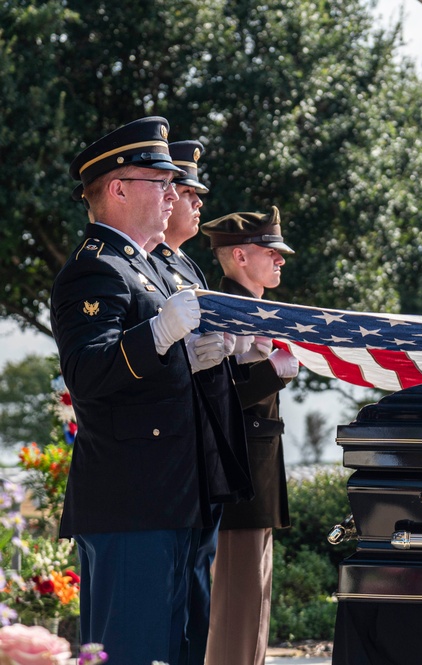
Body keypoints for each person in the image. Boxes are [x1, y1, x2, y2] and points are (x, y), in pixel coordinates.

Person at [51, 117, 247, 664]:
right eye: (159, 182)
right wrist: (159, 334)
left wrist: (206, 357)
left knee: (179, 649)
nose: (172, 193)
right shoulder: (95, 271)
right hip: (132, 500)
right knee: (134, 652)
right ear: (117, 189)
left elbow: (163, 374)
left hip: (176, 491)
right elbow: (89, 374)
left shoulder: (153, 269)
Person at [148, 140, 253, 664]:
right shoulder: (153, 267)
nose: (192, 203)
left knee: (194, 595)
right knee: (171, 599)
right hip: (168, 451)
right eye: (185, 191)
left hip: (202, 448)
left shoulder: (186, 267)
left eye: (191, 193)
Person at [202, 206, 299, 665]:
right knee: (237, 612)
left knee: (253, 610)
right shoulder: (225, 313)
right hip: (236, 478)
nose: (280, 260)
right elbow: (215, 397)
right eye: (270, 252)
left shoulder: (252, 312)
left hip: (254, 478)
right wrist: (272, 375)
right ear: (239, 255)